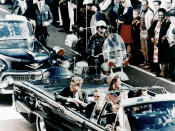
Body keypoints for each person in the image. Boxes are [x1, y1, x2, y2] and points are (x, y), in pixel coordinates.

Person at [148, 8, 171, 77]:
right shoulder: (155, 22)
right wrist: (151, 37)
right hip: (155, 44)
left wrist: (165, 36)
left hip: (162, 44)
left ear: (164, 15)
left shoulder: (166, 23)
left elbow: (168, 32)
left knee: (162, 59)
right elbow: (149, 31)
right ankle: (158, 72)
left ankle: (163, 72)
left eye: (161, 15)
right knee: (155, 58)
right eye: (159, 15)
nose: (160, 16)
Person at [139, 0, 154, 69]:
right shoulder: (142, 11)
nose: (143, 6)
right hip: (141, 32)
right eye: (142, 5)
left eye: (144, 5)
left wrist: (147, 31)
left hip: (146, 33)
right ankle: (145, 61)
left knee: (148, 49)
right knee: (143, 48)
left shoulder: (150, 12)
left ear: (147, 5)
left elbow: (151, 25)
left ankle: (148, 63)